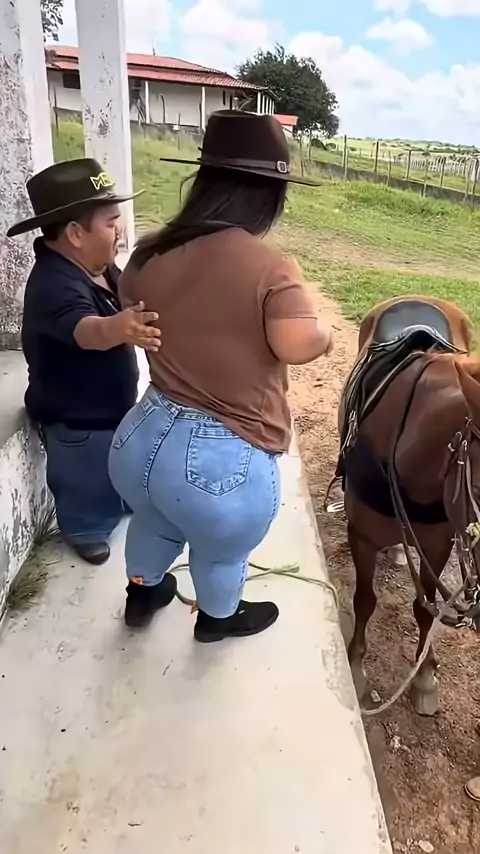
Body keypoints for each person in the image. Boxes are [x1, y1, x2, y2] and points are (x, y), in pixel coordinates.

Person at [109, 110, 332, 639]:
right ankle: (217, 617)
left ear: (205, 182)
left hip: (141, 435)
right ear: (269, 195)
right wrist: (322, 330)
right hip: (219, 458)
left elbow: (132, 303)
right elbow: (297, 344)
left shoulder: (150, 250)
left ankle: (142, 592)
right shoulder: (269, 266)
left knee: (152, 521)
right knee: (218, 551)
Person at [7, 158, 161, 565]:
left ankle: (118, 502)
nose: (120, 229)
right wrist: (117, 328)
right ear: (76, 233)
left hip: (110, 409)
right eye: (111, 222)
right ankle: (85, 528)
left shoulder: (100, 269)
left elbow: (127, 295)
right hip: (75, 419)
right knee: (84, 477)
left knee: (115, 465)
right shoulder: (53, 284)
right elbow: (86, 330)